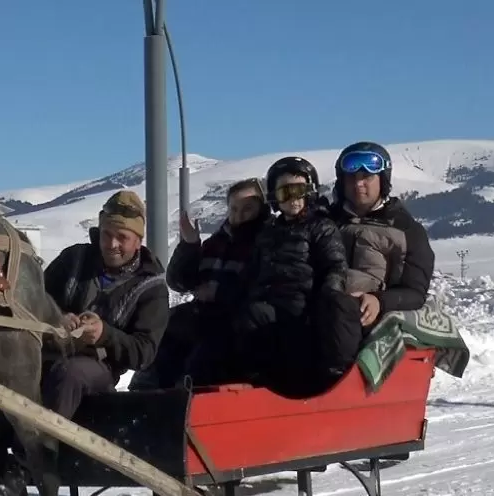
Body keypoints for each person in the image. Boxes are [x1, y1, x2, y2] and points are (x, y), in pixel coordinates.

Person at [0, 189, 171, 496]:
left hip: (95, 373)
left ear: (138, 240)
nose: (112, 244)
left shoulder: (151, 287)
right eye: (108, 233)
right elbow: (33, 299)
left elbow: (145, 351)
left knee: (69, 374)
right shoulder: (74, 259)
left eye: (122, 238)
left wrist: (105, 335)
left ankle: (24, 465)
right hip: (44, 355)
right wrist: (55, 317)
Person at [129, 177, 270, 390]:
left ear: (261, 209)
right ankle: (144, 392)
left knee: (205, 353)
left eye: (247, 209)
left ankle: (183, 396)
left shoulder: (267, 242)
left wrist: (218, 293)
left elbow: (263, 286)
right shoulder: (218, 242)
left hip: (238, 321)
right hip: (203, 315)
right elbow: (179, 281)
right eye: (234, 209)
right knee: (166, 330)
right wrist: (190, 246)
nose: (239, 216)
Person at [230, 156, 356, 393]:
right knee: (244, 318)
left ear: (310, 191)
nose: (293, 200)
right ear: (274, 198)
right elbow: (252, 271)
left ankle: (277, 385)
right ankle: (253, 383)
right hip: (267, 303)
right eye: (284, 193)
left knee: (260, 320)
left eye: (299, 191)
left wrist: (329, 293)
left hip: (301, 306)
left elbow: (335, 265)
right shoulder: (268, 232)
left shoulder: (321, 227)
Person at [328, 141, 435, 326]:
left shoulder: (406, 230)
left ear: (382, 180)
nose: (358, 183)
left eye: (367, 176)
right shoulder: (326, 222)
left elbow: (415, 292)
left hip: (362, 315)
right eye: (351, 177)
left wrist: (380, 300)